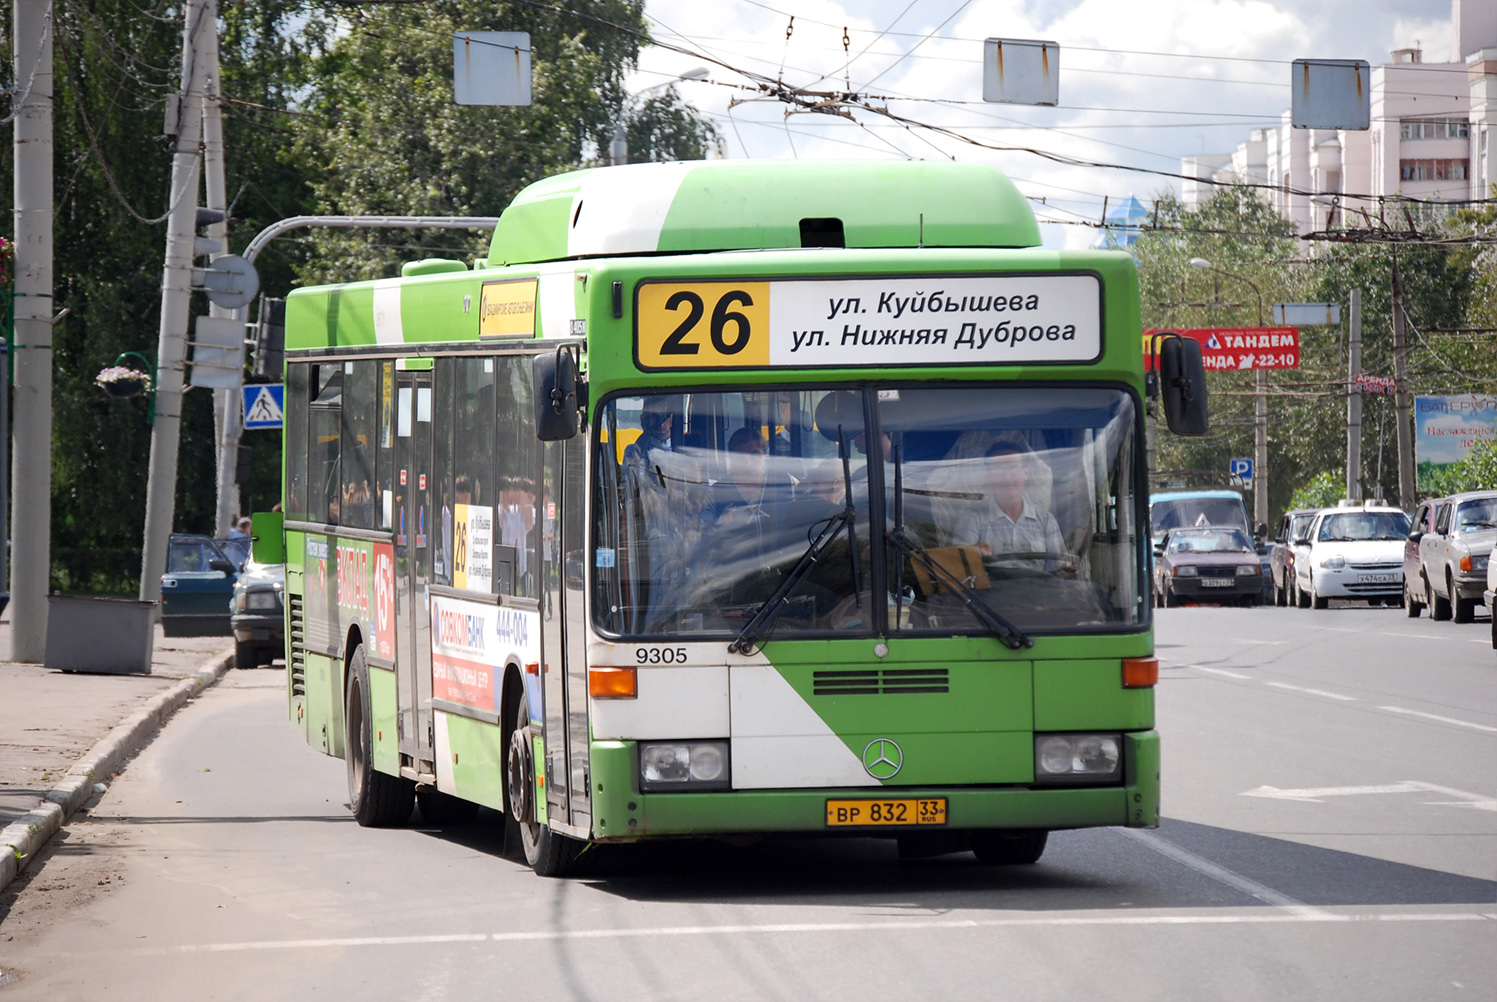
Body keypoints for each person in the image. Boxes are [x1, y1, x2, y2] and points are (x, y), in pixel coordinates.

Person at [950, 440, 1073, 574]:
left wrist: (1067, 572)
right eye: (998, 471)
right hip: (989, 594)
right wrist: (973, 552)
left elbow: (1058, 572)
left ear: (1025, 473)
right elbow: (957, 566)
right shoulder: (972, 516)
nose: (1007, 478)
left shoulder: (1045, 520)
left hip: (1037, 592)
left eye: (1013, 469)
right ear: (988, 475)